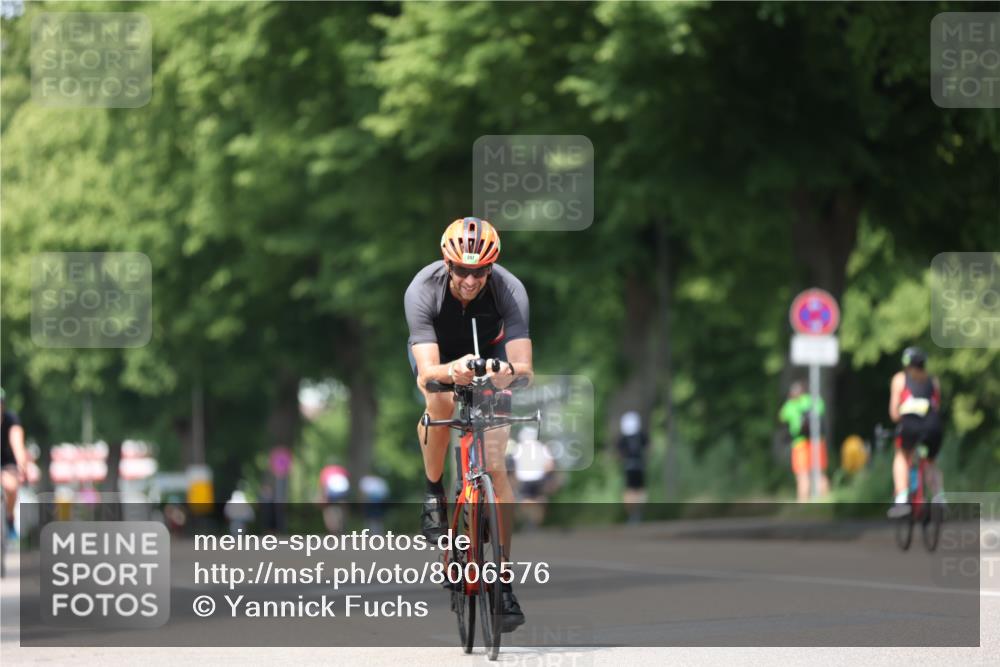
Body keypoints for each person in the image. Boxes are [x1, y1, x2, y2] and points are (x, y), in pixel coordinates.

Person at [404, 217, 532, 632]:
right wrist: (451, 369)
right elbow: (426, 373)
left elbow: (525, 366)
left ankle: (505, 582)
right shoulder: (422, 290)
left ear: (491, 268)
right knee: (439, 398)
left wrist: (505, 372)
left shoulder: (509, 290)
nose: (470, 279)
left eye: (479, 271)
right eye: (461, 270)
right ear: (447, 264)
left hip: (491, 363)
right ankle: (433, 491)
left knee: (496, 465)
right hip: (440, 358)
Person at [888, 346, 944, 517]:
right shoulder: (934, 381)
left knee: (902, 456)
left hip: (910, 425)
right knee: (930, 462)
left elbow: (894, 413)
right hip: (933, 425)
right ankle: (939, 498)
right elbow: (937, 406)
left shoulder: (900, 379)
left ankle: (902, 498)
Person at [778, 381, 829, 502]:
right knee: (819, 474)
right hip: (817, 441)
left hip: (800, 444)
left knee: (802, 475)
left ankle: (803, 505)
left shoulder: (790, 405)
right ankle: (826, 502)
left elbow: (781, 417)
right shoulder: (812, 400)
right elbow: (822, 409)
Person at [509, 426, 555, 528]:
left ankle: (528, 522)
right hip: (539, 478)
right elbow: (550, 465)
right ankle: (534, 523)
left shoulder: (518, 448)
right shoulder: (542, 447)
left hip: (524, 479)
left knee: (524, 500)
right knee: (538, 500)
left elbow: (513, 465)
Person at [1, 388, 28, 538]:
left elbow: (17, 443)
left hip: (7, 462)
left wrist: (21, 463)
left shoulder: (11, 420)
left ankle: (9, 517)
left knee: (11, 486)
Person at [616, 411, 648, 523]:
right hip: (639, 465)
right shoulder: (641, 435)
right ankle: (637, 513)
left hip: (628, 466)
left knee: (630, 491)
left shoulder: (623, 439)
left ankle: (633, 515)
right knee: (639, 490)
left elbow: (619, 455)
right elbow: (649, 448)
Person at [319, 463, 351, 533]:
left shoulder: (325, 471)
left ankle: (333, 528)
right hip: (344, 492)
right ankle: (342, 523)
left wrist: (323, 498)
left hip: (332, 492)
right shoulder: (342, 470)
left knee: (328, 511)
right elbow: (348, 481)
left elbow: (324, 486)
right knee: (343, 508)